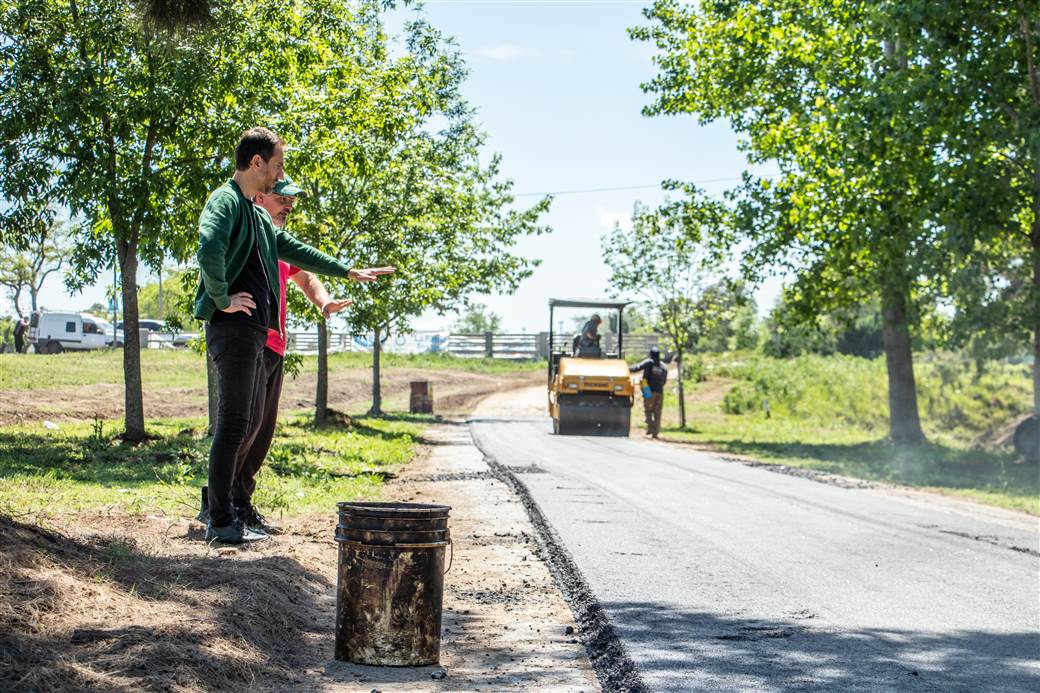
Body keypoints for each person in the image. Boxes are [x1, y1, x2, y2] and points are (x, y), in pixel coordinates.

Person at [195, 127, 394, 544]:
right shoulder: (227, 200)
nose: (280, 175)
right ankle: (220, 520)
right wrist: (221, 297)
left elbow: (297, 252)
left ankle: (229, 514)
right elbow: (209, 243)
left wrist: (345, 271)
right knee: (234, 424)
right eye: (278, 165)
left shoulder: (253, 212)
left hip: (253, 331)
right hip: (233, 328)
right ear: (257, 163)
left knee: (245, 423)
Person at [197, 176, 354, 533]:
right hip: (247, 337)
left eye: (292, 203)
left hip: (274, 345)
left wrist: (325, 302)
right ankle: (219, 506)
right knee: (242, 426)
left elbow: (306, 277)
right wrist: (221, 300)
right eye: (282, 199)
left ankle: (240, 503)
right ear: (262, 196)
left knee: (261, 433)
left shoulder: (276, 243)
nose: (288, 207)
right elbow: (212, 252)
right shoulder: (247, 228)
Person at [630, 346, 668, 438]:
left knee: (648, 410)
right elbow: (664, 380)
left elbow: (637, 368)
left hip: (647, 388)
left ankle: (650, 428)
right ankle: (655, 432)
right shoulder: (663, 367)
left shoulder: (648, 362)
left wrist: (624, 368)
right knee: (657, 412)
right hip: (659, 391)